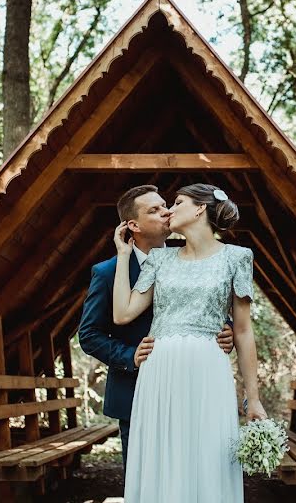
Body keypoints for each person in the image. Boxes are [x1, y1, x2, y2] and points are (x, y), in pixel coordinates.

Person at [113, 183, 267, 502]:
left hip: (208, 369)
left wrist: (253, 398)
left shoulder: (237, 258)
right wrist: (123, 255)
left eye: (177, 202)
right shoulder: (159, 259)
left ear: (199, 209)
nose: (169, 209)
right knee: (162, 454)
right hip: (159, 371)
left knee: (208, 453)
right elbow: (123, 314)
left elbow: (242, 331)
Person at [78, 185, 234, 475]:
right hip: (134, 392)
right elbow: (88, 335)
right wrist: (130, 356)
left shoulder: (189, 259)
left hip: (189, 389)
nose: (167, 212)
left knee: (188, 475)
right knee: (145, 479)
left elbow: (212, 303)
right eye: (155, 210)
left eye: (166, 205)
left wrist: (229, 329)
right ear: (133, 225)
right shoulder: (108, 272)